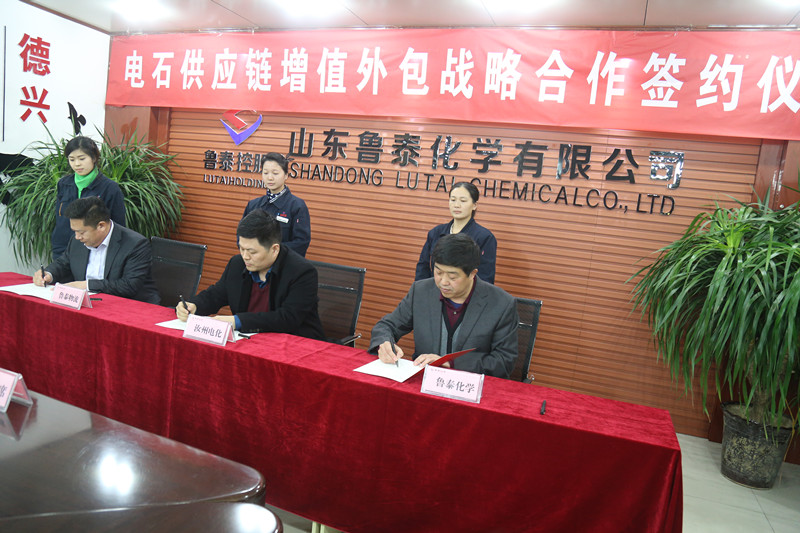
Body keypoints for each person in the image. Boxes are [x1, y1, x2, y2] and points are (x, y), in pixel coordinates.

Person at [370, 233, 518, 378]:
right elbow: (387, 326)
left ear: (472, 273)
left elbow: (504, 361)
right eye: (438, 272)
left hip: (472, 385)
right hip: (424, 381)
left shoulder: (501, 304)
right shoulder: (421, 291)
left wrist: (450, 363)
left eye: (452, 276)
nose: (443, 282)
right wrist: (384, 343)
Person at [177, 209, 325, 339]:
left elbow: (287, 318)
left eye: (252, 252)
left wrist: (237, 321)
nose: (245, 256)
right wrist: (195, 305)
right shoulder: (237, 264)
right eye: (241, 249)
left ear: (274, 249)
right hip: (249, 342)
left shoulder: (302, 272)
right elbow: (216, 294)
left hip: (295, 345)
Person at [34, 196, 160, 304]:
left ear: (101, 226)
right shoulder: (77, 240)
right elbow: (63, 263)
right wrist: (48, 274)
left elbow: (129, 285)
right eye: (75, 231)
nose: (77, 237)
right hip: (90, 304)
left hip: (129, 306)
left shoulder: (135, 244)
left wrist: (87, 285)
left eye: (81, 232)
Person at [52, 136, 125, 258]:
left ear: (94, 158)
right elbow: (59, 219)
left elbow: (118, 226)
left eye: (82, 158)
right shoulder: (64, 184)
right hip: (63, 250)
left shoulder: (109, 188)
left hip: (96, 252)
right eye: (72, 159)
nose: (77, 164)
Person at [415, 181, 497, 284]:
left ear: (474, 205)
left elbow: (485, 278)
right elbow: (422, 268)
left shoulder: (484, 237)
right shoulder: (436, 233)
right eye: (453, 200)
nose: (457, 205)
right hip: (435, 291)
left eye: (463, 201)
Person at [242, 152, 311, 256]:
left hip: (284, 263)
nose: (270, 178)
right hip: (254, 262)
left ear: (286, 175)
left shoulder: (297, 206)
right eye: (265, 173)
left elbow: (301, 243)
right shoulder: (253, 205)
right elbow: (242, 235)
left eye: (275, 173)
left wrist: (269, 252)